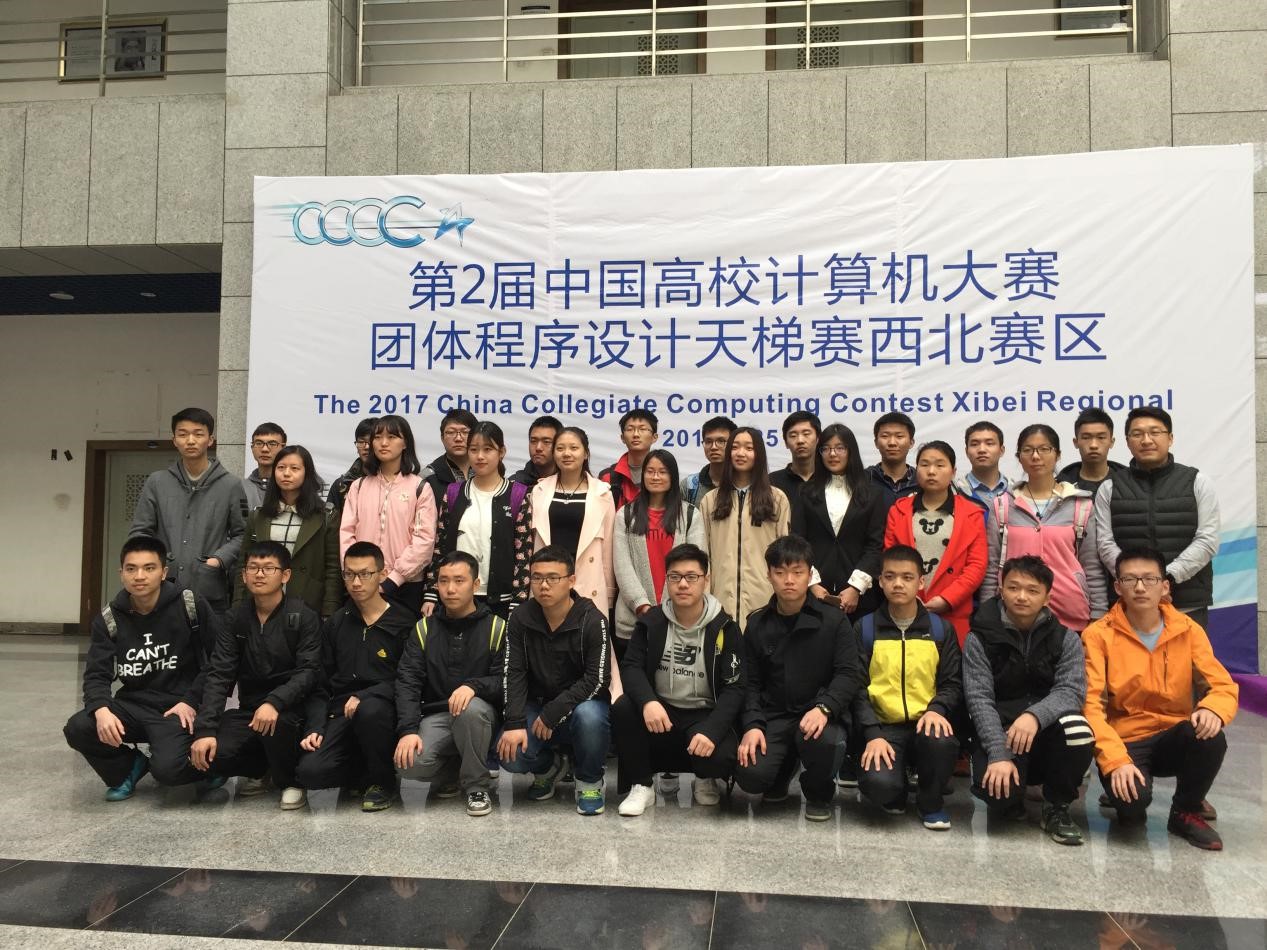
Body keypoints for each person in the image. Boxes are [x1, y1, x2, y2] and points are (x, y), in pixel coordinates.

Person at [1082, 547, 1239, 850]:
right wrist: (1115, 761)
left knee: (1210, 736)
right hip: (1126, 740)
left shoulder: (1188, 630)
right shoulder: (1098, 635)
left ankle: (1185, 811)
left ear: (1165, 586)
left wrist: (1213, 709)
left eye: (1149, 579)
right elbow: (1091, 705)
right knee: (1132, 807)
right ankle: (1124, 790)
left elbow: (1221, 684)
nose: (1140, 587)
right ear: (1118, 587)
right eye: (1130, 579)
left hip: (1172, 735)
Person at [64, 536, 220, 801]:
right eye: (131, 568)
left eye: (149, 568)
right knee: (78, 727)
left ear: (163, 572)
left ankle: (207, 766)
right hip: (134, 705)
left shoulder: (189, 604)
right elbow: (97, 674)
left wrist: (192, 700)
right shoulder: (109, 617)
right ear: (121, 574)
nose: (139, 576)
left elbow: (220, 659)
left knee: (168, 771)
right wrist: (101, 709)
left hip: (178, 707)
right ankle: (128, 767)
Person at [963, 555, 1095, 846]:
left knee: (1078, 729)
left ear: (1047, 597)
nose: (1021, 596)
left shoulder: (1066, 638)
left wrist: (1034, 716)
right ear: (1001, 590)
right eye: (1013, 587)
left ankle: (1057, 806)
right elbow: (979, 699)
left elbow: (1071, 691)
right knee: (1000, 798)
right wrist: (998, 753)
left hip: (1046, 731)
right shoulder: (979, 638)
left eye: (1032, 590)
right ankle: (1014, 793)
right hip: (1001, 731)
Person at [734, 536, 860, 822]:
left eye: (797, 572)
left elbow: (848, 673)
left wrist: (825, 708)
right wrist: (752, 725)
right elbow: (749, 682)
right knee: (751, 776)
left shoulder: (834, 620)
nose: (788, 580)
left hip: (819, 712)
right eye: (780, 572)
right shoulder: (757, 623)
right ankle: (781, 771)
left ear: (810, 574)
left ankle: (818, 791)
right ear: (769, 575)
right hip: (775, 714)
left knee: (826, 743)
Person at [613, 543, 743, 816]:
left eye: (691, 577)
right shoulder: (651, 622)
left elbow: (735, 688)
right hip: (663, 712)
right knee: (624, 707)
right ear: (667, 580)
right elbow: (631, 667)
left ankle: (705, 777)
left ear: (706, 580)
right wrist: (648, 702)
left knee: (721, 758)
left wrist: (712, 730)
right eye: (675, 577)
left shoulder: (725, 627)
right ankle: (642, 785)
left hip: (704, 714)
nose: (683, 584)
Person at [190, 542, 322, 810]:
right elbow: (219, 673)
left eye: (268, 568)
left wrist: (274, 701)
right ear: (244, 575)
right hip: (250, 710)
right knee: (212, 754)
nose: (259, 574)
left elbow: (309, 672)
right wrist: (205, 729)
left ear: (285, 575)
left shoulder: (303, 616)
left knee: (279, 723)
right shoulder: (235, 618)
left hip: (291, 708)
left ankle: (291, 781)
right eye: (253, 568)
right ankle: (261, 769)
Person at [295, 542, 415, 812]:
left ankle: (382, 782)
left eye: (365, 574)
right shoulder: (337, 622)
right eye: (349, 574)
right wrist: (315, 727)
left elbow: (410, 680)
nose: (356, 582)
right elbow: (320, 683)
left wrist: (366, 695)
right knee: (311, 773)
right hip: (341, 711)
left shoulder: (404, 622)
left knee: (370, 711)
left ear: (382, 574)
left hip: (384, 709)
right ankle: (360, 771)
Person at [853, 544, 962, 830]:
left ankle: (931, 802)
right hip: (884, 727)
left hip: (926, 722)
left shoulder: (940, 630)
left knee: (941, 740)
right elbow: (856, 687)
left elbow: (952, 682)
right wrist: (872, 734)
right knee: (880, 786)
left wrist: (937, 709)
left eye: (907, 577)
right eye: (890, 577)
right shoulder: (865, 628)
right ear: (880, 581)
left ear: (920, 582)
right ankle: (896, 787)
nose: (898, 584)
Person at [497, 546, 612, 816]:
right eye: (537, 578)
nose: (544, 585)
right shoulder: (520, 618)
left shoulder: (592, 620)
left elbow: (597, 679)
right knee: (510, 754)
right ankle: (548, 768)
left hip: (582, 705)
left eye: (553, 578)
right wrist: (514, 722)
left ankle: (589, 780)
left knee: (591, 717)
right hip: (536, 705)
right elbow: (513, 673)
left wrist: (554, 711)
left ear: (571, 581)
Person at [395, 552, 506, 817]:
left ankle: (476, 787)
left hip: (482, 717)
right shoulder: (424, 628)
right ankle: (456, 769)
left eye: (459, 580)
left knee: (470, 709)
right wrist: (408, 730)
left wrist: (474, 687)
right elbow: (408, 681)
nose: (450, 589)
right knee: (408, 765)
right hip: (438, 715)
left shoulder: (496, 627)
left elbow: (506, 680)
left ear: (475, 584)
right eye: (443, 581)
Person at [1093, 407, 1219, 629]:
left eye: (1155, 432)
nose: (1146, 440)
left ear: (1170, 438)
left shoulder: (1197, 481)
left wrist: (1166, 579)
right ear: (1127, 441)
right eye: (1137, 434)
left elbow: (1207, 540)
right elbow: (1105, 544)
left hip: (1186, 604)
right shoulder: (1110, 487)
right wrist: (1136, 581)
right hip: (1129, 605)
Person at [978, 425, 1105, 633]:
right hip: (1014, 615)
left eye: (1044, 449)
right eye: (1028, 450)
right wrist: (987, 614)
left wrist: (1098, 614)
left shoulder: (1080, 505)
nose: (1036, 456)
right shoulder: (1003, 505)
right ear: (1019, 457)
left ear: (1058, 454)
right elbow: (992, 566)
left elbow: (1091, 565)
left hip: (1070, 614)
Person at [129, 407, 248, 621]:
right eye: (183, 434)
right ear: (174, 440)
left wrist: (217, 560)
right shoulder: (157, 482)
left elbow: (243, 535)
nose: (190, 440)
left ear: (210, 440)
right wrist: (156, 561)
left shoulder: (231, 485)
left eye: (198, 434)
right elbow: (140, 532)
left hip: (209, 588)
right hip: (162, 587)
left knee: (209, 640)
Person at [424, 421, 533, 621]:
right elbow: (440, 546)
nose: (480, 456)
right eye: (474, 450)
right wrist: (431, 592)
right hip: (455, 597)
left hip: (502, 601)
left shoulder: (517, 494)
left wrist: (518, 601)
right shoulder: (454, 493)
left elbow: (523, 553)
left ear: (502, 452)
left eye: (488, 449)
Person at [883, 441, 987, 645]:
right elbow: (889, 558)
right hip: (904, 608)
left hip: (953, 612)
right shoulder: (899, 510)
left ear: (953, 471)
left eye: (940, 465)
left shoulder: (972, 514)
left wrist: (948, 599)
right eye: (924, 464)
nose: (931, 471)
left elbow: (977, 565)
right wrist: (909, 596)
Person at [339, 414, 438, 615]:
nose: (384, 443)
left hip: (406, 586)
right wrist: (356, 572)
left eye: (392, 437)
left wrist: (393, 579)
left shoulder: (419, 487)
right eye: (377, 437)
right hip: (362, 583)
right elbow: (346, 534)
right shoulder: (358, 486)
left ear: (405, 443)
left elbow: (424, 540)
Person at [697, 426, 792, 631]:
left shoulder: (777, 499)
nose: (741, 453)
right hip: (719, 604)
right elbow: (703, 554)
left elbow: (783, 555)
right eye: (735, 447)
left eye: (749, 448)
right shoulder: (710, 500)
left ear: (759, 454)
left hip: (765, 603)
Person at [612, 449, 706, 648]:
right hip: (633, 623)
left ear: (673, 476)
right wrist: (642, 605)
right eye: (650, 471)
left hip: (679, 622)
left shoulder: (690, 515)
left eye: (662, 472)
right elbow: (622, 566)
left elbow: (696, 567)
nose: (655, 477)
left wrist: (670, 610)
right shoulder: (625, 515)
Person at [234, 445, 341, 618]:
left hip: (308, 604)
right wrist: (238, 606)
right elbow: (243, 564)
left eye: (294, 468)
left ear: (307, 473)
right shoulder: (259, 515)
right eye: (281, 467)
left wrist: (329, 613)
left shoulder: (326, 516)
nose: (286, 473)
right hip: (261, 604)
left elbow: (333, 570)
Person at [791, 422, 885, 617]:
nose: (832, 454)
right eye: (826, 448)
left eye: (840, 448)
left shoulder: (873, 494)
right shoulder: (805, 492)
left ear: (851, 451)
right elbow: (798, 541)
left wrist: (856, 587)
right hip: (814, 593)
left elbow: (875, 545)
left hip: (861, 598)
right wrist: (812, 584)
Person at [530, 426, 617, 616]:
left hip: (588, 581)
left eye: (574, 448)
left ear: (586, 453)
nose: (567, 454)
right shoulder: (539, 491)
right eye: (560, 448)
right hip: (547, 581)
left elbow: (608, 548)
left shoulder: (603, 493)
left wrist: (609, 594)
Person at [600, 409, 660, 510]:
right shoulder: (608, 477)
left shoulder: (665, 475)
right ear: (622, 438)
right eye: (630, 429)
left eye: (642, 429)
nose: (636, 434)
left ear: (654, 437)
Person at [1056, 408, 1124, 493]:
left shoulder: (1128, 482)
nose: (1093, 445)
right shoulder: (1060, 486)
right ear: (1076, 442)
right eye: (1086, 438)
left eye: (1101, 437)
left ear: (1111, 442)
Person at [327, 417, 378, 516]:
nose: (366, 447)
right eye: (361, 442)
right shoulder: (341, 485)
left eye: (371, 442)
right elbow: (331, 523)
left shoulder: (395, 481)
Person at [953, 421, 1009, 513]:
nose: (982, 450)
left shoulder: (1016, 491)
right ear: (966, 452)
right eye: (974, 444)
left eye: (989, 443)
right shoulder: (955, 491)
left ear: (1001, 450)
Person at [866, 412, 918, 509]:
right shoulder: (864, 479)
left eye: (899, 436)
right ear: (876, 442)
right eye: (885, 436)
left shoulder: (921, 481)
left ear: (911, 442)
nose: (892, 443)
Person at [425, 408, 477, 502]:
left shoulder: (488, 472)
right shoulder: (428, 477)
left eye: (465, 432)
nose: (458, 438)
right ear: (442, 438)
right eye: (451, 432)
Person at [683, 416, 736, 507]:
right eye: (708, 441)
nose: (713, 447)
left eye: (721, 441)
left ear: (734, 444)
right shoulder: (689, 486)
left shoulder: (745, 484)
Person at [769, 410, 820, 500]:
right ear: (786, 443)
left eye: (806, 434)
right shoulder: (771, 482)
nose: (800, 440)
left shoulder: (829, 479)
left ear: (818, 439)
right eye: (793, 435)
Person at [243, 423, 287, 510]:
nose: (265, 449)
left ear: (283, 448)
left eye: (272, 444)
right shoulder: (240, 488)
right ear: (252, 447)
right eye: (259, 443)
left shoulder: (292, 487)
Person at [510, 415, 562, 487]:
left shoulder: (570, 482)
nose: (538, 448)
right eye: (533, 441)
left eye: (546, 442)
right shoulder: (517, 483)